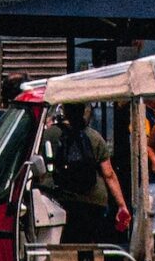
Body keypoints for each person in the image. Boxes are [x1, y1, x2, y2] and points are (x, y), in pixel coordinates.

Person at [48, 100, 129, 243]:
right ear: (84, 111)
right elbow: (109, 174)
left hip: (63, 199)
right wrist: (122, 205)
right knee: (89, 244)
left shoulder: (51, 134)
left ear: (64, 110)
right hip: (94, 201)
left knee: (67, 244)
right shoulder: (95, 137)